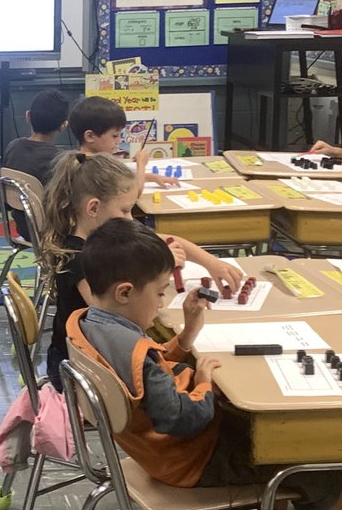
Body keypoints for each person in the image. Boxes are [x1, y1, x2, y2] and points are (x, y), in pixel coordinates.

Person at [65, 219, 342, 510]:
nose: (163, 299)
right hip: (191, 458)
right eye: (159, 292)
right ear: (125, 292)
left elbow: (146, 372)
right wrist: (203, 381)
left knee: (270, 427)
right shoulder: (135, 349)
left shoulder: (89, 323)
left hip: (165, 451)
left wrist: (187, 337)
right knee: (334, 487)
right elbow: (184, 418)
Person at [41, 153, 243, 381]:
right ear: (94, 208)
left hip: (100, 360)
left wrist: (213, 264)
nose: (130, 219)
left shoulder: (107, 239)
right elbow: (114, 319)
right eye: (125, 210)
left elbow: (168, 240)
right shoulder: (78, 259)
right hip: (83, 373)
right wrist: (155, 266)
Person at [68, 94, 176, 189]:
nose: (119, 140)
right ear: (90, 136)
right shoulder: (90, 166)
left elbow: (117, 177)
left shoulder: (88, 158)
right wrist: (141, 164)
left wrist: (151, 177)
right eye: (114, 136)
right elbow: (135, 191)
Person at [2, 89, 69, 239]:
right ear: (63, 126)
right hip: (52, 231)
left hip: (23, 227)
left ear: (28, 116)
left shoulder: (13, 147)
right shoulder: (60, 159)